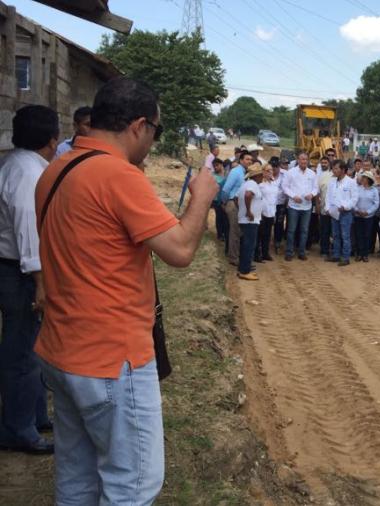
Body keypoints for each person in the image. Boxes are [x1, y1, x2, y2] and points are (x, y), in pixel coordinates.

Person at [34, 78, 219, 502]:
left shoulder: (55, 171)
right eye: (157, 131)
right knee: (131, 486)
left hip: (61, 350)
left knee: (76, 480)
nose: (154, 143)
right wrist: (202, 198)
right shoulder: (119, 175)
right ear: (138, 126)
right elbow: (180, 250)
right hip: (111, 359)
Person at [0, 105, 59, 455]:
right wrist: (41, 281)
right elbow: (27, 229)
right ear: (53, 139)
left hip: (14, 269)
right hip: (19, 273)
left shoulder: (17, 164)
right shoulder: (27, 173)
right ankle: (17, 428)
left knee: (31, 348)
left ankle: (34, 415)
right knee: (22, 353)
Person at [281, 153, 318, 261]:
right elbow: (285, 187)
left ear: (308, 161)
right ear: (298, 160)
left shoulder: (312, 173)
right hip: (294, 206)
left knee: (304, 230)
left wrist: (312, 194)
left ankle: (301, 252)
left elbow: (316, 188)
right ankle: (289, 252)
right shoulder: (291, 173)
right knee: (291, 230)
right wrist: (293, 196)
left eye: (306, 159)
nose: (304, 161)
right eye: (302, 159)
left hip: (306, 207)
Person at [222, 151, 253, 265]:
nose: (249, 161)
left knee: (239, 232)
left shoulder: (246, 173)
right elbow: (226, 189)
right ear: (240, 160)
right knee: (234, 232)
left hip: (240, 205)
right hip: (232, 203)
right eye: (247, 159)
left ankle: (237, 255)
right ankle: (233, 258)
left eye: (250, 160)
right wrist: (225, 203)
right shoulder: (236, 172)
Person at [325, 160, 358, 266]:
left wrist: (346, 207)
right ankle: (336, 255)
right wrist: (328, 208)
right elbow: (328, 196)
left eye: (336, 168)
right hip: (334, 213)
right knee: (335, 235)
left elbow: (354, 198)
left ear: (343, 170)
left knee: (345, 236)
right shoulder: (332, 182)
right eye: (333, 168)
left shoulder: (351, 182)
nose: (333, 170)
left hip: (345, 213)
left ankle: (345, 257)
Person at [238, 164, 265, 280]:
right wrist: (248, 211)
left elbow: (235, 198)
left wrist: (243, 209)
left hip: (246, 219)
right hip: (249, 220)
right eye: (261, 175)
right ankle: (245, 271)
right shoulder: (252, 185)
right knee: (249, 245)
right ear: (257, 175)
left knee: (246, 244)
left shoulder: (246, 184)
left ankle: (243, 268)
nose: (263, 177)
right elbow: (248, 195)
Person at [353, 171, 379, 263]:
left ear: (369, 179)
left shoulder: (374, 190)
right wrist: (357, 210)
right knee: (359, 235)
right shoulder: (358, 189)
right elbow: (354, 200)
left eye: (364, 177)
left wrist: (367, 212)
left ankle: (365, 254)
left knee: (367, 235)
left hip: (368, 217)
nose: (362, 179)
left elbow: (376, 204)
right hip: (358, 216)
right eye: (362, 177)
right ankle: (359, 253)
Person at [256, 164, 278, 263]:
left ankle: (265, 253)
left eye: (271, 170)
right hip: (262, 213)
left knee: (268, 234)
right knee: (260, 234)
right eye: (268, 170)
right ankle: (257, 254)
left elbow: (275, 199)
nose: (270, 172)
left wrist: (274, 213)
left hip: (271, 212)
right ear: (263, 172)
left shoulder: (274, 183)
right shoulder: (260, 184)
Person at [272, 159, 288, 254]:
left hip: (281, 203)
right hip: (269, 203)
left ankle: (277, 241)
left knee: (279, 222)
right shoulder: (267, 173)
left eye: (276, 168)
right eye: (273, 168)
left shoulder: (285, 174)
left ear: (279, 167)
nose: (274, 170)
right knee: (268, 222)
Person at [212, 158, 228, 241]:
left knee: (225, 217)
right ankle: (220, 234)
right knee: (219, 217)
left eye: (217, 165)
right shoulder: (213, 176)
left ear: (221, 165)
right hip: (216, 200)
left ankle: (225, 233)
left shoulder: (226, 174)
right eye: (214, 166)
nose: (215, 167)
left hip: (225, 199)